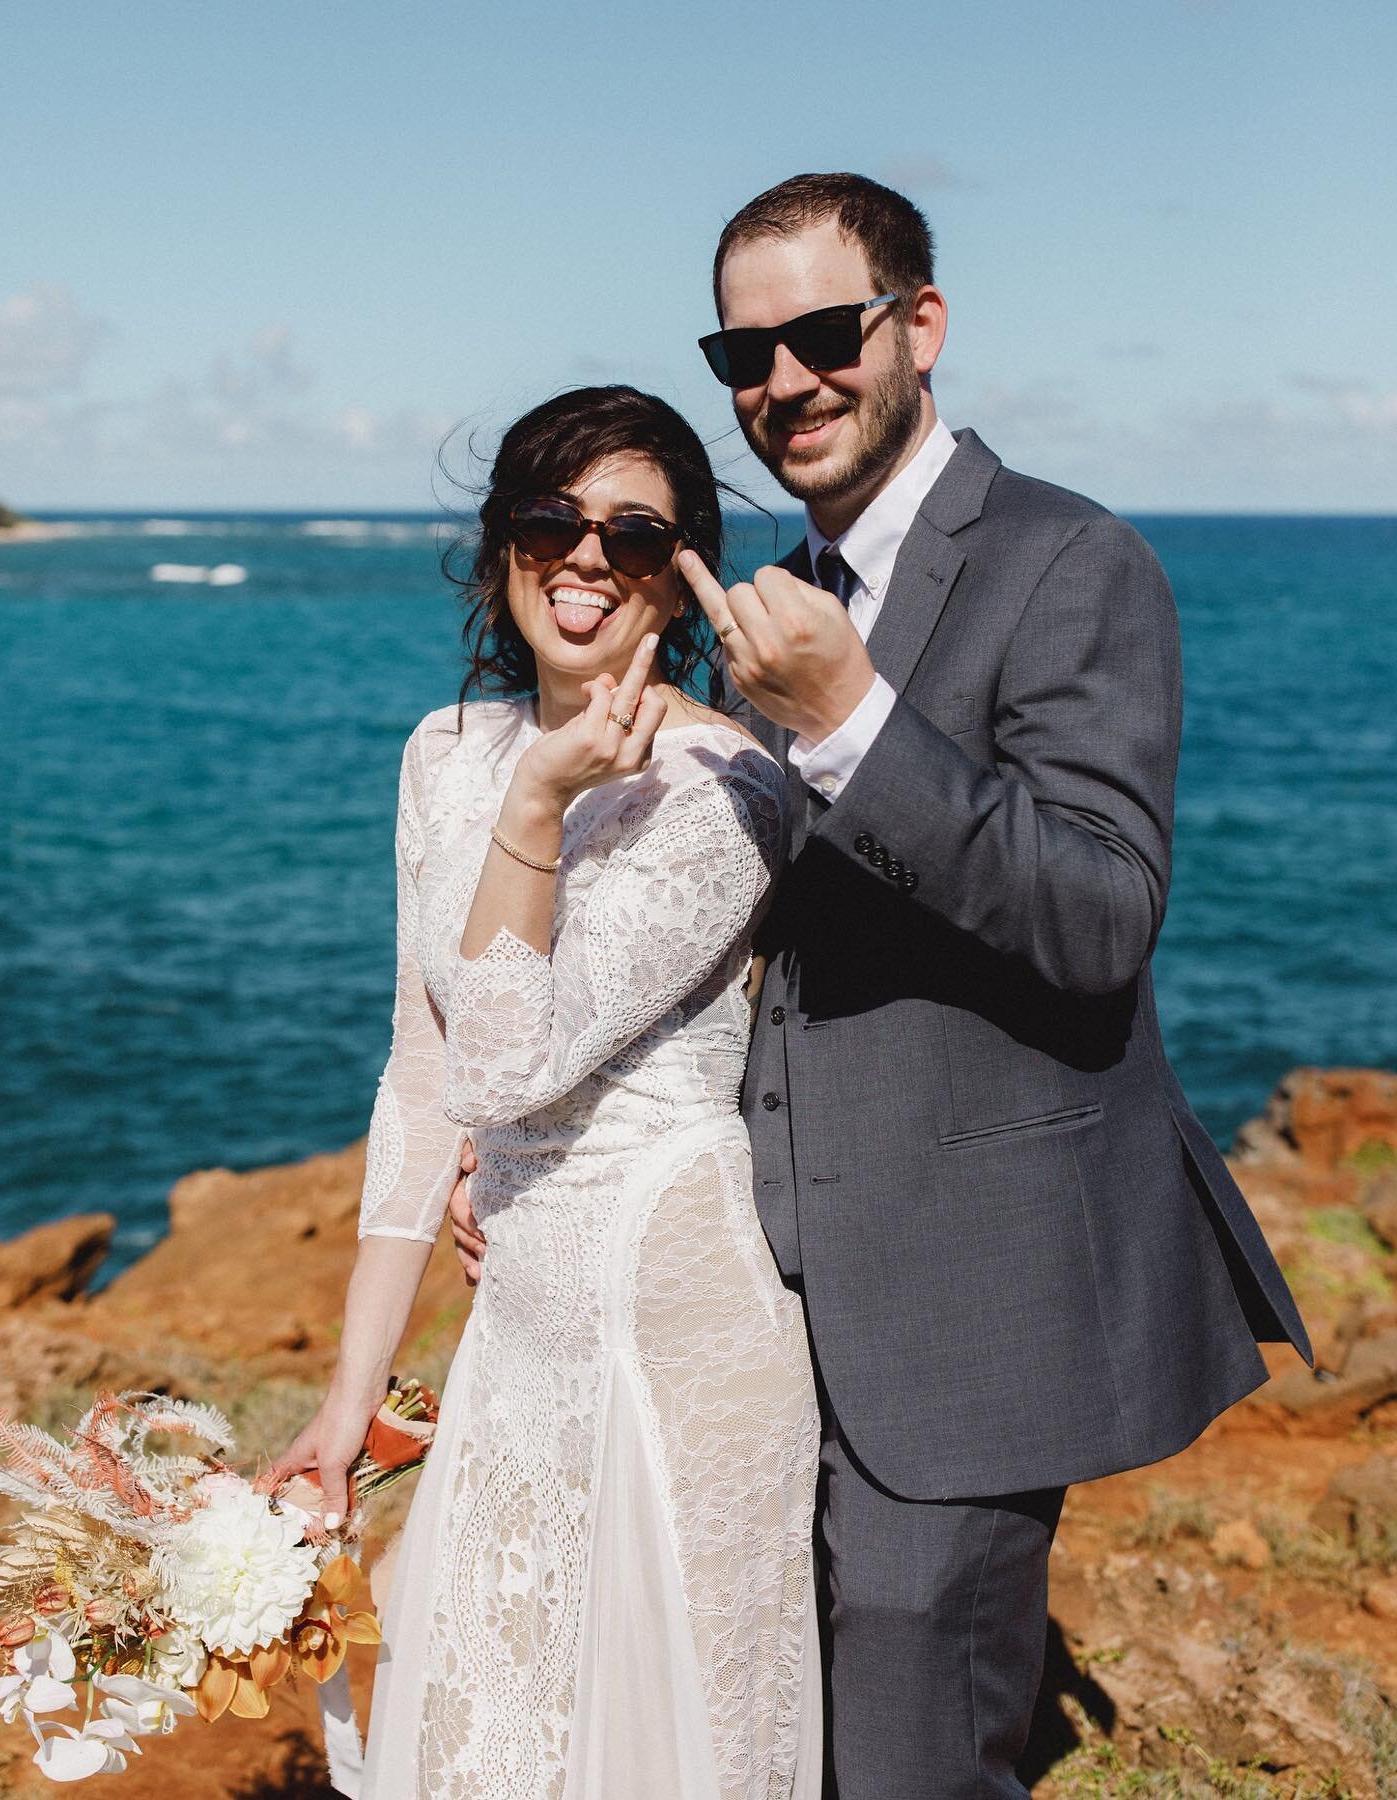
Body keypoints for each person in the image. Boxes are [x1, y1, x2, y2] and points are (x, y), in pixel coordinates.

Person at [451, 174, 1313, 1799]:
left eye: (824, 333)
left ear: (919, 326)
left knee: (916, 1754)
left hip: (966, 1302)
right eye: (744, 351)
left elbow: (1101, 915)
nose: (784, 381)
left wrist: (853, 725)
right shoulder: (778, 598)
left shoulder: (1070, 563)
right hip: (762, 1297)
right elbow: (743, 948)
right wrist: (546, 1166)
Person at [273, 384, 821, 1799]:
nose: (585, 557)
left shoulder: (728, 791)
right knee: (493, 1730)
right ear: (502, 540)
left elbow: (512, 1061)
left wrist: (538, 814)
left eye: (633, 534)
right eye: (548, 517)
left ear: (683, 570)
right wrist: (349, 1404)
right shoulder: (445, 754)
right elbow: (424, 1072)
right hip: (516, 1325)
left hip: (673, 1323)